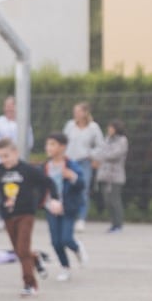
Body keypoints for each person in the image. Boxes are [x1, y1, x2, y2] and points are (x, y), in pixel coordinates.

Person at [0, 138, 53, 297]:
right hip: (8, 215)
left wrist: (48, 200)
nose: (4, 160)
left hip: (26, 214)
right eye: (1, 157)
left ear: (16, 153)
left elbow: (48, 182)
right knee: (20, 251)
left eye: (7, 156)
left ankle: (30, 284)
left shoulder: (27, 170)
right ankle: (35, 259)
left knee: (23, 249)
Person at [42, 132, 87, 282]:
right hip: (51, 208)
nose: (49, 147)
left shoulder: (71, 165)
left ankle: (77, 248)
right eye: (48, 144)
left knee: (66, 238)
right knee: (56, 242)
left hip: (68, 207)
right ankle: (65, 267)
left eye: (53, 144)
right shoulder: (45, 167)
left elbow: (82, 185)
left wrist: (72, 176)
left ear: (62, 147)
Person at [62, 102, 105, 231]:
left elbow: (100, 145)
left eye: (78, 111)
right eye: (74, 111)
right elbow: (63, 141)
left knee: (83, 189)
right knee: (67, 189)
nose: (76, 114)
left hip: (83, 162)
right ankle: (68, 216)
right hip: (69, 161)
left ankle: (81, 218)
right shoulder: (70, 125)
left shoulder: (93, 127)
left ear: (85, 113)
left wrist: (91, 155)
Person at [92, 119, 129, 233]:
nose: (109, 130)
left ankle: (118, 224)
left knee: (115, 200)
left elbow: (115, 154)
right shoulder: (107, 139)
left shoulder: (122, 140)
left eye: (111, 128)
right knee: (107, 201)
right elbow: (100, 151)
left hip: (115, 176)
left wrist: (101, 157)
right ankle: (113, 224)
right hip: (104, 174)